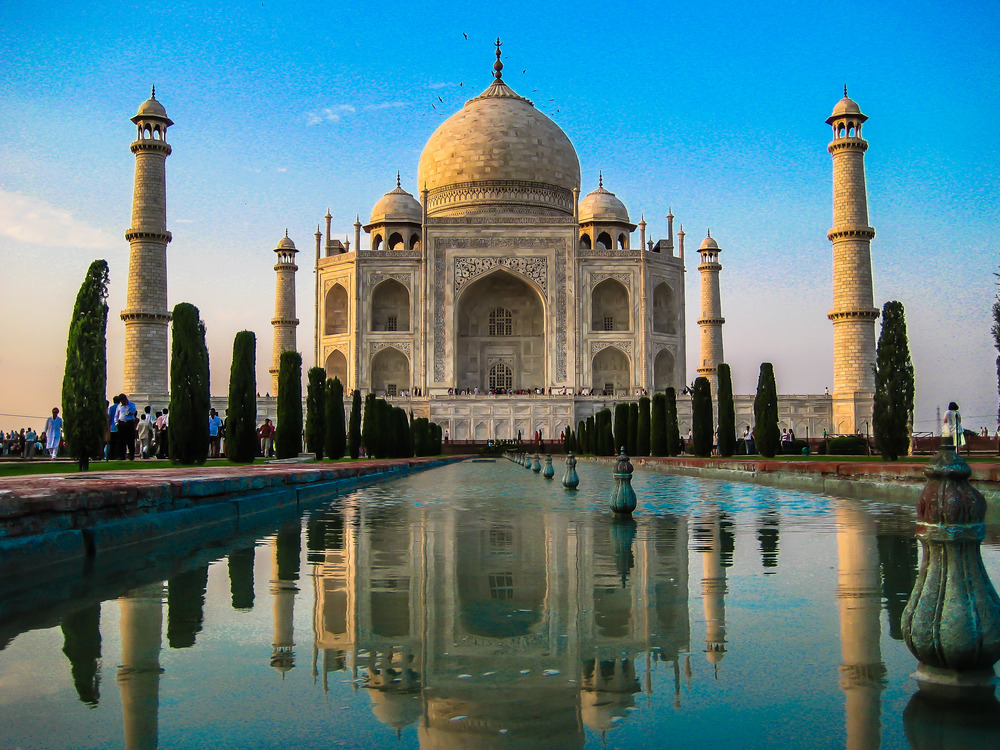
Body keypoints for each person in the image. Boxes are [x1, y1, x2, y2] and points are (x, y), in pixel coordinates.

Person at [115, 394, 138, 460]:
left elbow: (133, 411)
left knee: (130, 440)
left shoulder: (131, 404)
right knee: (121, 441)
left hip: (129, 423)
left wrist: (128, 407)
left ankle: (131, 455)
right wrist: (116, 423)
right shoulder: (119, 406)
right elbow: (116, 415)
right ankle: (122, 455)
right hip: (121, 423)